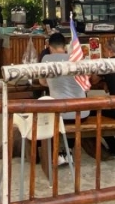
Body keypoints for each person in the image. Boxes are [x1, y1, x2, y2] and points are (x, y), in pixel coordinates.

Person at [39, 31, 90, 165]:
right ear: (65, 45)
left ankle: (57, 151)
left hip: (60, 113)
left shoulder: (45, 60)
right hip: (82, 113)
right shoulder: (77, 59)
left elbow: (42, 82)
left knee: (45, 110)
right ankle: (68, 151)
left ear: (49, 46)